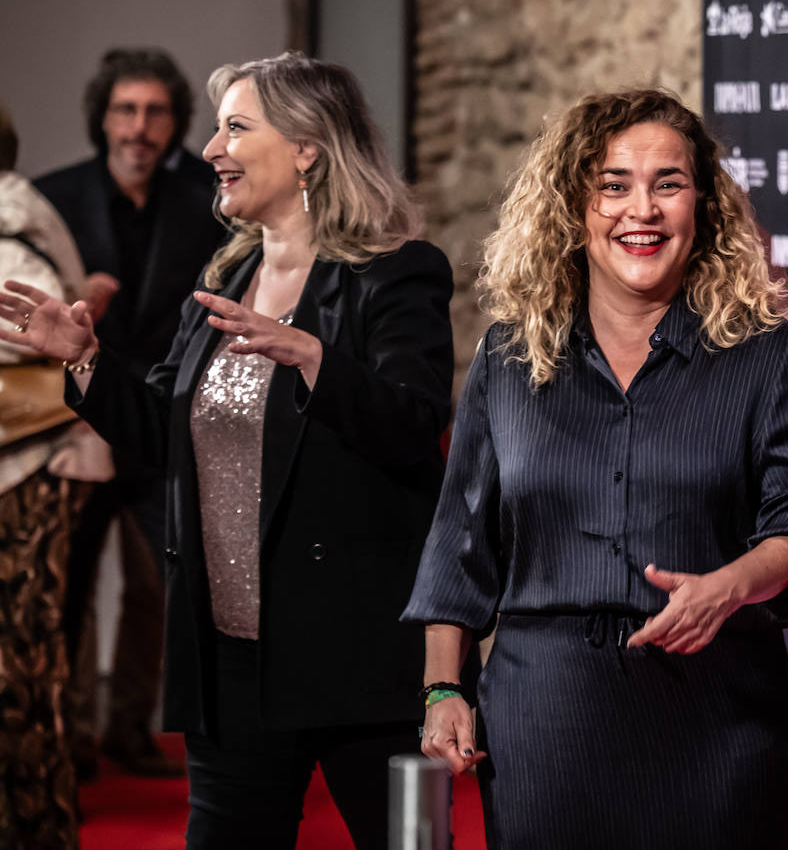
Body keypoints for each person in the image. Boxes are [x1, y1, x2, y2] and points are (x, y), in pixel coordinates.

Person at [1, 52, 454, 850]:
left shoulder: (397, 273)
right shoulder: (230, 271)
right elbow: (158, 438)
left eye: (235, 127)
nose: (211, 148)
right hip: (231, 662)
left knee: (413, 843)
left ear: (307, 147)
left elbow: (414, 427)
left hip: (362, 661)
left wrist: (312, 355)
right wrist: (84, 360)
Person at [403, 88, 788, 849]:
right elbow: (458, 546)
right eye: (613, 185)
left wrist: (728, 586)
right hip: (548, 726)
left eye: (667, 184)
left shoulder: (763, 356)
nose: (640, 210)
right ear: (573, 208)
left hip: (718, 723)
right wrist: (444, 688)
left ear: (700, 207)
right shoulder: (509, 361)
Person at [34, 48, 226, 778]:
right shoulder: (51, 199)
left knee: (161, 583)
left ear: (176, 124)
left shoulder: (208, 203)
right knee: (70, 587)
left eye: (155, 112)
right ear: (101, 119)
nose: (139, 127)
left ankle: (127, 728)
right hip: (71, 424)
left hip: (158, 427)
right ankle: (70, 736)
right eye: (125, 109)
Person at [0, 101, 112, 849]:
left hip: (33, 473)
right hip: (27, 467)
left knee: (20, 673)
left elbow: (37, 333)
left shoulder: (9, 224)